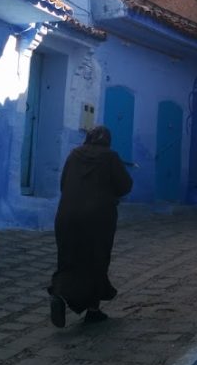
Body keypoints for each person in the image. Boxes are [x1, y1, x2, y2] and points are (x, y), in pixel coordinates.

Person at [48, 125, 134, 327]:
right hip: (98, 220)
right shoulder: (110, 157)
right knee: (96, 260)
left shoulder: (74, 155)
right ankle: (93, 310)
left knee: (68, 258)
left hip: (67, 216)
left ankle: (59, 295)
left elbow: (64, 183)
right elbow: (125, 186)